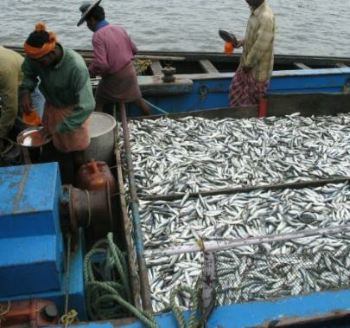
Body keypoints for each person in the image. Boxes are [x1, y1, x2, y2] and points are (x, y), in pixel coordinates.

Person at [20, 22, 95, 183]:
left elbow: (87, 105)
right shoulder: (36, 58)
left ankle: (77, 183)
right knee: (51, 145)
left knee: (76, 151)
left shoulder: (75, 66)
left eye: (40, 62)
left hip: (74, 112)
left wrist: (60, 128)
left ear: (52, 52)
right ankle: (53, 176)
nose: (37, 65)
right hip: (52, 107)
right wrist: (25, 91)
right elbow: (28, 72)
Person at [77, 0, 150, 116]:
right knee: (138, 100)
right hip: (130, 72)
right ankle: (150, 118)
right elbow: (134, 50)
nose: (87, 26)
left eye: (87, 22)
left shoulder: (98, 36)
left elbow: (102, 64)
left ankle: (100, 127)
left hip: (114, 77)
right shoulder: (120, 29)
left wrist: (90, 70)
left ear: (92, 20)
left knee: (99, 100)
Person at [229, 0, 275, 108]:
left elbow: (261, 46)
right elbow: (255, 37)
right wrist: (241, 42)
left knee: (251, 105)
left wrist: (248, 64)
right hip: (246, 66)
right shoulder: (255, 12)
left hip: (257, 72)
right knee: (235, 92)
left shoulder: (266, 17)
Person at [0, 46, 24, 152]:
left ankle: (33, 151)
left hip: (27, 84)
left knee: (26, 125)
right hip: (8, 78)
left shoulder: (4, 69)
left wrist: (1, 134)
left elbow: (10, 108)